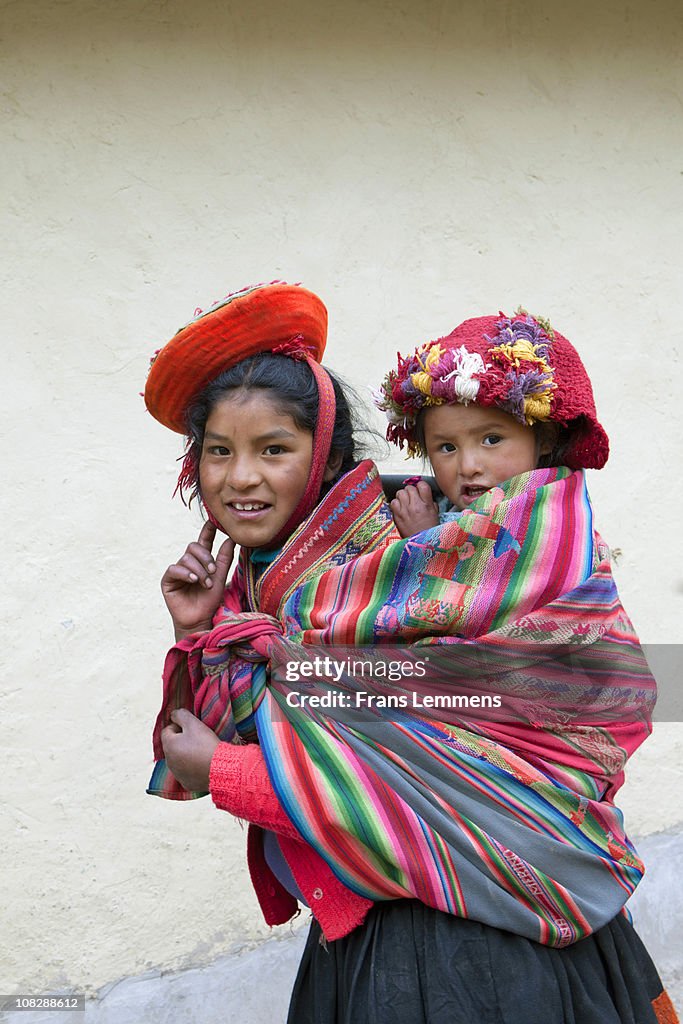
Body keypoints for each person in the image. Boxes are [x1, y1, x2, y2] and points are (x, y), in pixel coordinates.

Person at [145, 291, 677, 1023]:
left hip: (478, 958)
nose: (241, 478)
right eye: (217, 451)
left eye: (273, 449)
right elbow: (232, 746)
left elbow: (425, 769)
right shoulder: (274, 591)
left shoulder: (414, 562)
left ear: (325, 451)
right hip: (385, 938)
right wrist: (199, 632)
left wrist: (229, 772)